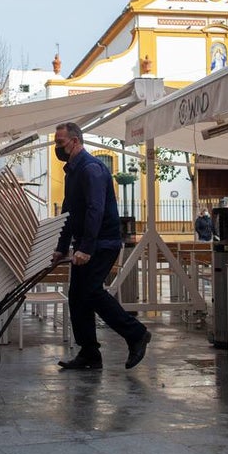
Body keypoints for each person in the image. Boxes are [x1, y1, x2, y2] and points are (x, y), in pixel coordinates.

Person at [51, 122, 151, 370]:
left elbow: (95, 210)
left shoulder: (91, 168)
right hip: (88, 243)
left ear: (75, 141)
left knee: (91, 291)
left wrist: (85, 248)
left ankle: (136, 333)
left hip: (102, 243)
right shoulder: (73, 171)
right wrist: (62, 247)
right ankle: (89, 353)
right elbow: (69, 212)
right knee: (77, 296)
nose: (57, 147)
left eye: (60, 142)